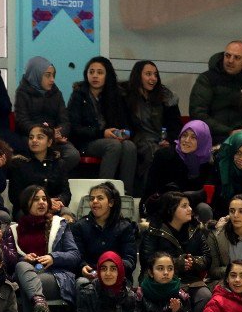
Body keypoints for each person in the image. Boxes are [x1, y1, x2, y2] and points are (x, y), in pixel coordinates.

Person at [67, 56, 138, 193]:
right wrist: (102, 133)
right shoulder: (79, 95)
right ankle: (104, 193)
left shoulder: (116, 95)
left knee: (129, 146)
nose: (95, 76)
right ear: (86, 74)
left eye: (100, 72)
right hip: (85, 142)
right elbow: (75, 128)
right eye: (91, 72)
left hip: (110, 139)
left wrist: (124, 133)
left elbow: (129, 125)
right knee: (113, 145)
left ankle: (125, 194)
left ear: (107, 75)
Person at [139, 191, 211, 312]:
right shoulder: (154, 230)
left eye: (189, 205)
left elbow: (207, 258)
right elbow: (147, 260)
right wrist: (177, 264)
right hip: (162, 280)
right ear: (171, 210)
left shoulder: (195, 229)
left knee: (205, 296)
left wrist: (193, 261)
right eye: (184, 206)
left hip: (191, 280)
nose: (190, 209)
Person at [11, 185, 82, 312]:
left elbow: (75, 255)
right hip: (26, 274)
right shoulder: (14, 230)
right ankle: (41, 311)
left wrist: (53, 257)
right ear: (26, 204)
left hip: (54, 276)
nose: (42, 202)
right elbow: (9, 260)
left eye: (44, 199)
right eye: (36, 199)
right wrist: (23, 258)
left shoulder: (59, 225)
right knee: (22, 265)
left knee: (26, 285)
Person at [189, 41, 242, 147]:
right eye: (228, 55)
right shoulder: (207, 79)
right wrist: (229, 132)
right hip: (211, 136)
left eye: (237, 57)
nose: (230, 61)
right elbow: (197, 113)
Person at [13, 56, 81, 173]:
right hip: (31, 137)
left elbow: (64, 120)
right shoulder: (22, 93)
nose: (52, 79)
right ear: (36, 75)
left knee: (72, 155)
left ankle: (51, 179)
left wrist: (59, 134)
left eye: (53, 75)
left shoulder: (56, 93)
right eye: (48, 75)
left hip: (54, 139)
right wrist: (43, 133)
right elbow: (22, 121)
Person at [123, 60, 181, 189]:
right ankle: (147, 194)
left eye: (155, 75)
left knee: (169, 153)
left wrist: (169, 140)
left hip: (161, 139)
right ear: (138, 76)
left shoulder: (166, 97)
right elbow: (125, 124)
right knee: (153, 152)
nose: (153, 78)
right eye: (148, 74)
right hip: (136, 138)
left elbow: (175, 126)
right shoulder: (126, 96)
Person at [143, 120, 214, 222]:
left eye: (193, 137)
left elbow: (205, 195)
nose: (186, 140)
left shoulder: (207, 163)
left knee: (204, 209)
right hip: (165, 205)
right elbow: (151, 189)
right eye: (184, 135)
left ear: (202, 140)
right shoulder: (164, 155)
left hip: (191, 207)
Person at [71, 181, 138, 286]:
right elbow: (77, 256)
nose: (95, 201)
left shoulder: (125, 227)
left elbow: (130, 259)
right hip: (90, 276)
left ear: (111, 203)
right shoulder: (80, 226)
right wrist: (82, 266)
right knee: (82, 283)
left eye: (100, 198)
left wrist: (112, 270)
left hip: (117, 276)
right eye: (92, 198)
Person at [7, 124, 71, 219]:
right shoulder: (19, 163)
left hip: (54, 208)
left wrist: (59, 202)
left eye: (39, 137)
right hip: (27, 209)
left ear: (49, 142)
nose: (34, 140)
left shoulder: (59, 163)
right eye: (31, 137)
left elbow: (66, 193)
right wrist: (46, 202)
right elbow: (14, 195)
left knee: (67, 214)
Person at [76, 251, 142, 312]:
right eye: (103, 269)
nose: (108, 273)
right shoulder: (87, 293)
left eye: (113, 269)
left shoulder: (130, 295)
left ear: (119, 271)